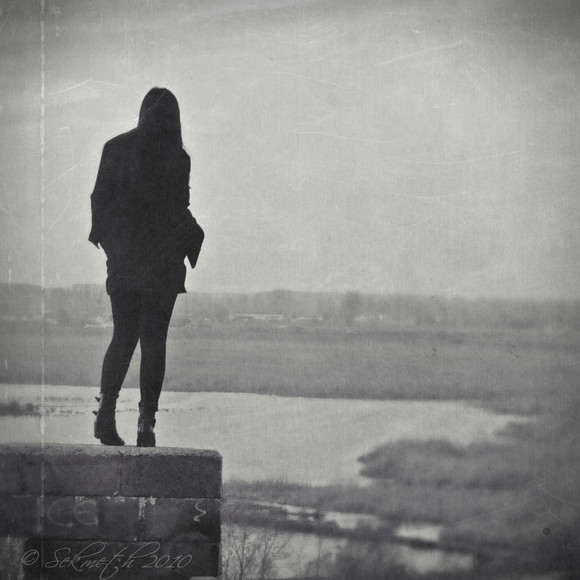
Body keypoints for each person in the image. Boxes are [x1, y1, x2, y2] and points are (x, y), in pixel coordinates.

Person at [89, 87, 204, 447]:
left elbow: (99, 202)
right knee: (154, 342)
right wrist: (194, 237)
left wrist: (113, 249)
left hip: (124, 264)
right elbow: (178, 209)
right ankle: (146, 426)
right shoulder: (178, 158)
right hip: (162, 266)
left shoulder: (114, 148)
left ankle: (105, 415)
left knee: (123, 336)